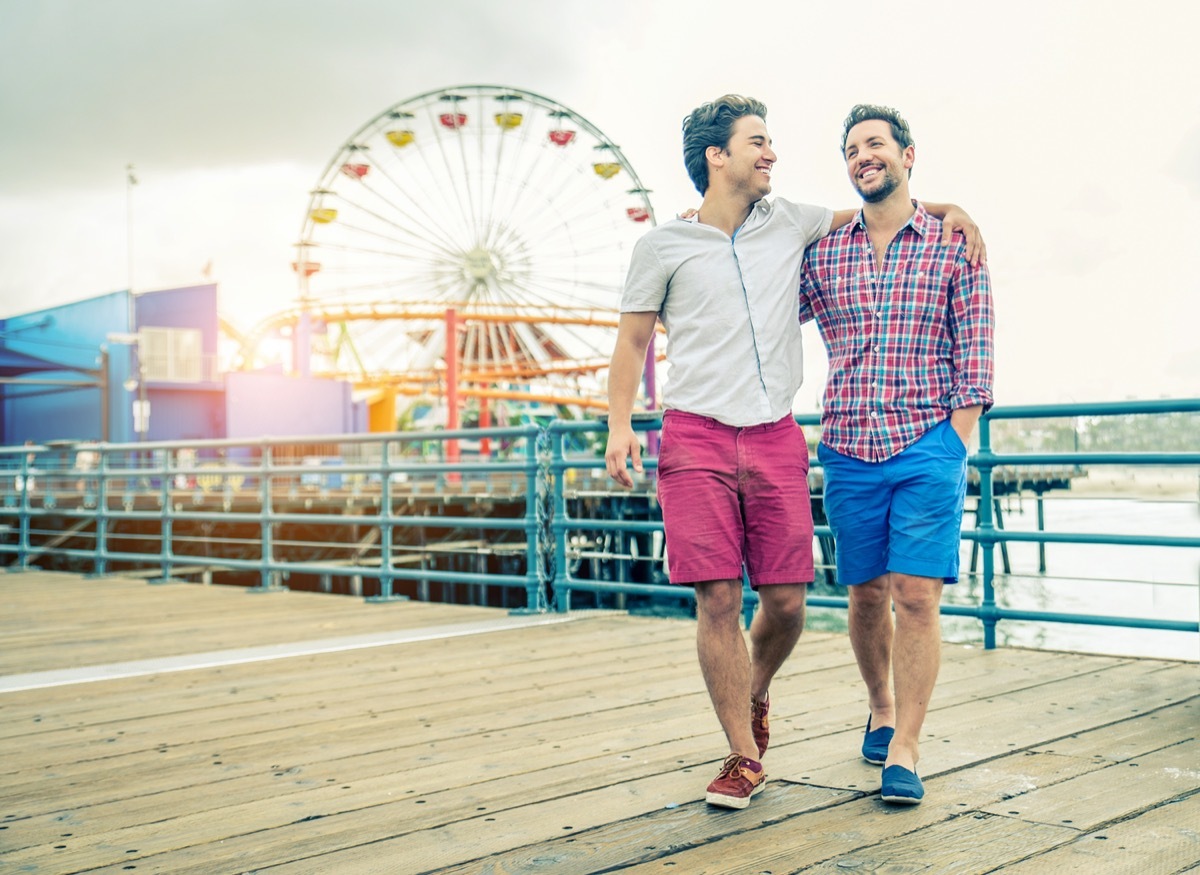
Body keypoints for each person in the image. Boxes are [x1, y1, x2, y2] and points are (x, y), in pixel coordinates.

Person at [604, 95, 983, 810]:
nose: (772, 153)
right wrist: (619, 422)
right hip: (698, 432)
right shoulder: (662, 246)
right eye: (758, 141)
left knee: (786, 601)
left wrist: (951, 204)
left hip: (778, 432)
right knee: (717, 595)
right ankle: (744, 756)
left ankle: (755, 690)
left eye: (772, 140)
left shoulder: (793, 222)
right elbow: (631, 342)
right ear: (718, 156)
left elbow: (884, 204)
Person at [798, 104, 995, 805]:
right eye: (851, 149)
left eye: (875, 144)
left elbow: (975, 348)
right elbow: (756, 301)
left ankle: (905, 746)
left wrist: (954, 439)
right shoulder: (822, 252)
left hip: (925, 445)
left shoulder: (954, 243)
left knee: (915, 597)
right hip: (848, 445)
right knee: (864, 594)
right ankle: (879, 704)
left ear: (908, 154)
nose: (861, 157)